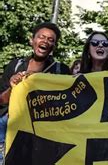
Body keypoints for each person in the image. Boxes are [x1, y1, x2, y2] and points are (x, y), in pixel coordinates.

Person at [0, 22, 70, 163]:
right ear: (32, 40)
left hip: (41, 132)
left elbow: (67, 105)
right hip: (9, 127)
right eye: (41, 37)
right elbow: (1, 100)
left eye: (51, 40)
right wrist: (13, 87)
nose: (45, 41)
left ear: (53, 47)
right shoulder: (15, 65)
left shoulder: (61, 70)